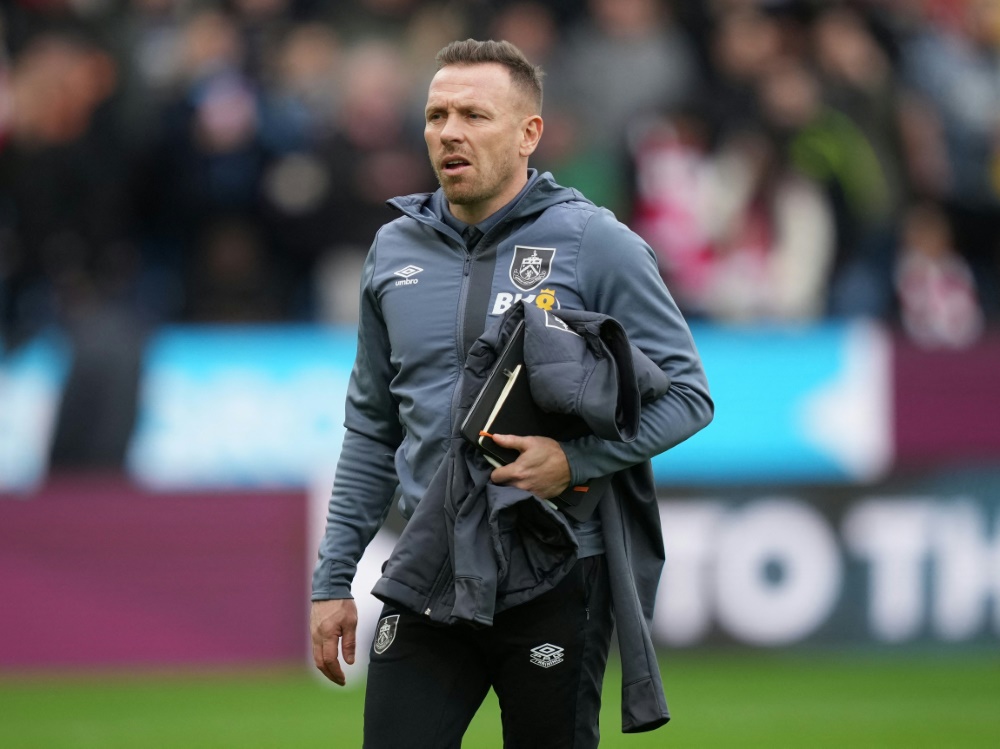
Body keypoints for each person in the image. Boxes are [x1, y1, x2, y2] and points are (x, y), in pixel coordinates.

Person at [310, 39, 713, 748]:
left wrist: (575, 460)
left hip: (558, 575)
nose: (449, 132)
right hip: (430, 567)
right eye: (436, 115)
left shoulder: (596, 242)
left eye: (473, 114)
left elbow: (686, 394)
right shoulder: (393, 250)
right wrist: (332, 578)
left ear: (530, 133)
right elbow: (373, 428)